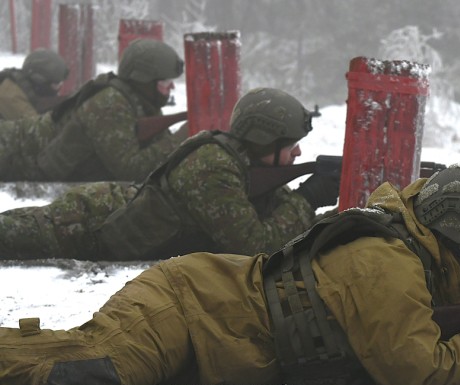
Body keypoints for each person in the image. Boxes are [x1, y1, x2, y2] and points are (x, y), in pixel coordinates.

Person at [0, 163, 460, 385]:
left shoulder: (416, 257)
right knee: (83, 371)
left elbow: (447, 360)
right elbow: (418, 371)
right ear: (456, 235)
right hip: (187, 308)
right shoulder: (388, 264)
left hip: (205, 323)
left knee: (78, 360)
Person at [0, 87, 339, 260]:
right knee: (9, 235)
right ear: (265, 138)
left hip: (111, 208)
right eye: (291, 144)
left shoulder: (244, 161)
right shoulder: (213, 168)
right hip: (88, 222)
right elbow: (254, 246)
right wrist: (307, 199)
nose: (297, 153)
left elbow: (278, 218)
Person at [0, 39, 186, 182]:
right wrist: (182, 139)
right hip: (13, 151)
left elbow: (157, 145)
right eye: (165, 83)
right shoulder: (110, 104)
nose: (171, 89)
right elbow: (130, 170)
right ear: (144, 80)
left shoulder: (140, 102)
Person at [0, 48, 70, 120]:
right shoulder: (11, 97)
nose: (58, 89)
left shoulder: (28, 89)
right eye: (55, 84)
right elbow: (37, 128)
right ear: (39, 81)